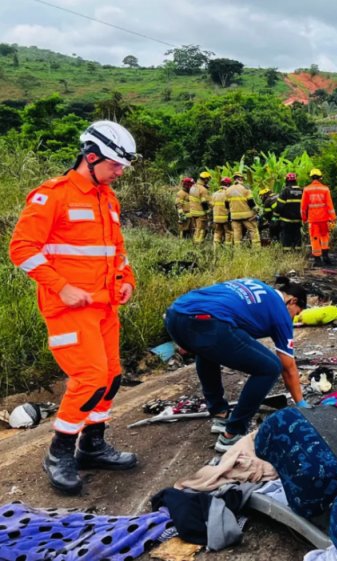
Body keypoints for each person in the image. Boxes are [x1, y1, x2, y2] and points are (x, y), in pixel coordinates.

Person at [8, 120, 139, 494]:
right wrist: (61, 287)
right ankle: (58, 452)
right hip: (68, 309)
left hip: (104, 306)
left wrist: (126, 279)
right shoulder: (53, 195)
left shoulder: (107, 198)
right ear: (91, 156)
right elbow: (21, 250)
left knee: (111, 376)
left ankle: (92, 446)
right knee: (90, 378)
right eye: (115, 165)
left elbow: (116, 249)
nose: (119, 172)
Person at [164, 277, 310, 452]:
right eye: (297, 312)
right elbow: (288, 368)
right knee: (270, 368)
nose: (294, 317)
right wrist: (302, 405)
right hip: (208, 322)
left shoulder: (255, 284)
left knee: (207, 349)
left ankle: (220, 415)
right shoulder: (280, 312)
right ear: (292, 301)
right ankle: (233, 434)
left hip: (175, 315)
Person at [300, 168, 336, 265]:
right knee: (324, 237)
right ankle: (326, 257)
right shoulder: (325, 189)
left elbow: (303, 207)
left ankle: (317, 260)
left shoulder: (307, 189)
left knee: (314, 238)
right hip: (324, 218)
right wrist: (333, 218)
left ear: (311, 177)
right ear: (320, 177)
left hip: (313, 219)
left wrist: (304, 218)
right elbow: (330, 205)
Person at [226, 172, 260, 247]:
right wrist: (257, 209)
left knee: (237, 233)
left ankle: (238, 250)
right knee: (253, 230)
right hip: (247, 216)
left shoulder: (228, 190)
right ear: (240, 178)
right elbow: (251, 202)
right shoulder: (245, 188)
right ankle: (257, 249)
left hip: (234, 216)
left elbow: (226, 205)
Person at [275, 172, 304, 250]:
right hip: (298, 219)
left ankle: (287, 251)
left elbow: (279, 206)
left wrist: (275, 216)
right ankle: (298, 250)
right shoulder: (301, 190)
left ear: (287, 180)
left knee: (286, 235)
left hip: (286, 219)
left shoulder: (285, 191)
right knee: (297, 234)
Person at [190, 172, 212, 243]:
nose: (208, 181)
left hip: (193, 211)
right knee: (201, 229)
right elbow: (204, 202)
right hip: (200, 213)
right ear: (205, 179)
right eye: (208, 179)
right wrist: (208, 211)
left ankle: (194, 241)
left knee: (196, 228)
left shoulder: (193, 186)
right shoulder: (203, 190)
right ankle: (198, 244)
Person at [212, 177, 232, 246]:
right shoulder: (228, 193)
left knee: (217, 232)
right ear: (228, 184)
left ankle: (216, 248)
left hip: (216, 218)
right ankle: (228, 248)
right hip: (226, 218)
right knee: (228, 232)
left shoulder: (214, 194)